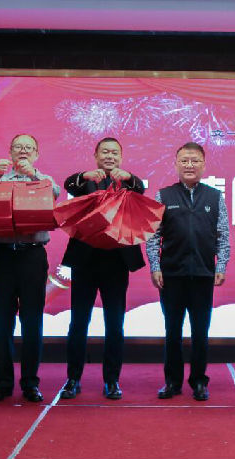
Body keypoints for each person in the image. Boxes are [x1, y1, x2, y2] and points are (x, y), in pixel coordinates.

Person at [59, 137, 146, 401]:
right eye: (105, 152)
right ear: (96, 156)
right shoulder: (85, 181)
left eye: (114, 153)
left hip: (116, 262)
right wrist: (84, 175)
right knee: (78, 322)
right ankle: (73, 379)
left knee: (115, 324)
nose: (110, 156)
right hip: (85, 261)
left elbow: (141, 189)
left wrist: (129, 177)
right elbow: (68, 184)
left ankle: (112, 380)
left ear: (121, 157)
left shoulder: (129, 182)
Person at [146, 141, 230, 402]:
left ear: (204, 165)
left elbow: (223, 235)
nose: (189, 165)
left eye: (195, 160)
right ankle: (172, 382)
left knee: (200, 332)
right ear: (176, 165)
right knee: (172, 331)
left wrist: (221, 265)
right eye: (184, 160)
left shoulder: (215, 196)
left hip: (203, 274)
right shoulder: (164, 196)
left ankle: (199, 382)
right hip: (171, 275)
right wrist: (155, 266)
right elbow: (153, 236)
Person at [0, 134, 61, 403]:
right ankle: (3, 384)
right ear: (10, 151)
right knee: (2, 321)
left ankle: (30, 383)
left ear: (36, 154)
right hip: (3, 256)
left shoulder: (43, 179)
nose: (23, 151)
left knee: (32, 320)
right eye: (18, 147)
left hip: (32, 256)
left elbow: (54, 193)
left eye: (29, 148)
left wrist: (33, 176)